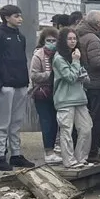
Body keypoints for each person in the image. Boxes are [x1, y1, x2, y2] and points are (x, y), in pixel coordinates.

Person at [0, 4, 32, 171]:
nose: (20, 19)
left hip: (20, 84)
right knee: (2, 122)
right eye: (16, 16)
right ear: (7, 18)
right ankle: (0, 155)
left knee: (16, 122)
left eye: (20, 15)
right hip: (5, 85)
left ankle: (16, 154)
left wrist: (26, 81)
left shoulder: (20, 37)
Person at [75, 11, 100, 162]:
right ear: (97, 24)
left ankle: (87, 150)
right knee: (96, 119)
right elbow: (97, 62)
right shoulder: (93, 39)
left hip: (88, 83)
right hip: (97, 83)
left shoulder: (81, 35)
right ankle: (93, 151)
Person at [52, 28, 92, 169]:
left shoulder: (76, 54)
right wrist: (76, 62)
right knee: (66, 130)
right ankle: (68, 160)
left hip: (80, 97)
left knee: (86, 128)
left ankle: (81, 157)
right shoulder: (58, 58)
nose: (72, 41)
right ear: (63, 40)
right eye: (69, 39)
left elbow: (83, 76)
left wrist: (80, 68)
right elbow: (69, 77)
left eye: (74, 38)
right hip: (64, 98)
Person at [29, 27, 60, 165]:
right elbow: (34, 75)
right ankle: (48, 151)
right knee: (46, 122)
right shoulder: (38, 55)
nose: (51, 43)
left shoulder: (60, 54)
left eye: (54, 40)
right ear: (43, 41)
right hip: (42, 93)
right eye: (49, 40)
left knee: (55, 123)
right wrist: (50, 75)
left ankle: (54, 148)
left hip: (58, 92)